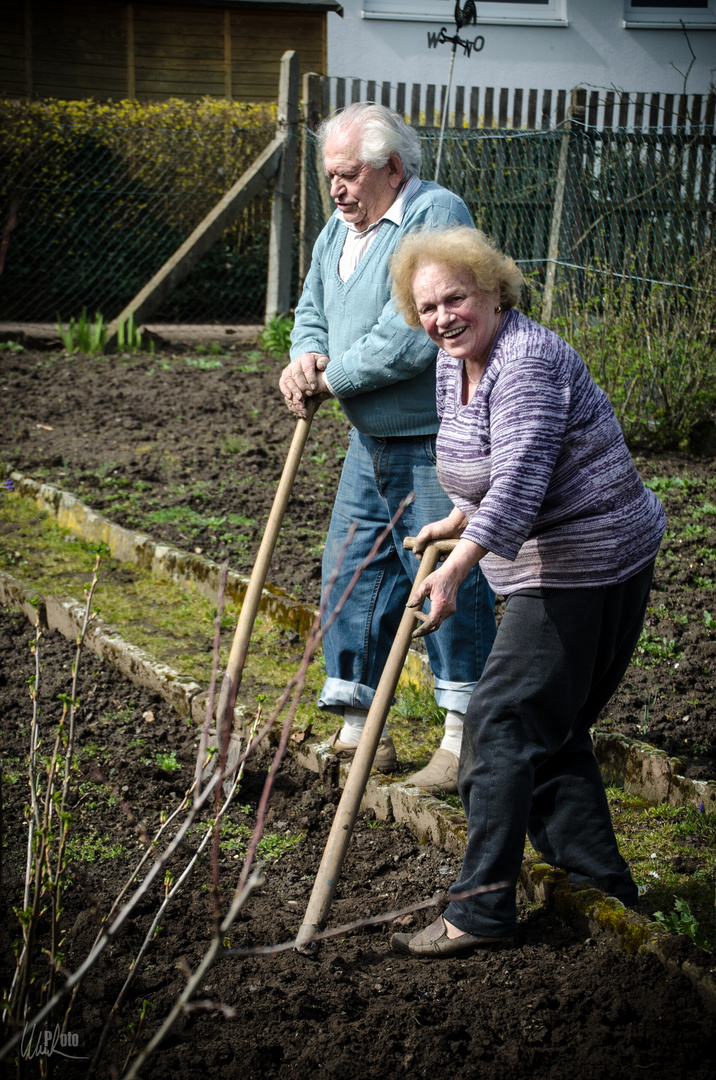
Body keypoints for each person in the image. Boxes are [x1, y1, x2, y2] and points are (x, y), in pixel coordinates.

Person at [387, 225, 666, 956]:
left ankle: (478, 911)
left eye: (457, 298)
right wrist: (454, 517)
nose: (442, 316)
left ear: (496, 292)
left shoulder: (529, 360)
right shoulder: (455, 361)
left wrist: (458, 567)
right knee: (550, 725)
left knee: (502, 723)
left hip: (589, 559)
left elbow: (521, 478)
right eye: (428, 306)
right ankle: (599, 886)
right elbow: (482, 462)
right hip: (548, 556)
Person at [279, 104, 496, 791]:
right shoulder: (338, 231)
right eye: (329, 177)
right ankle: (358, 727)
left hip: (436, 439)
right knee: (352, 574)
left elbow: (411, 330)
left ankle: (464, 740)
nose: (336, 190)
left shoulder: (433, 216)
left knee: (445, 582)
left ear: (392, 168)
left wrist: (332, 378)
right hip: (369, 439)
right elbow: (311, 305)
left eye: (347, 176)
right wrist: (304, 357)